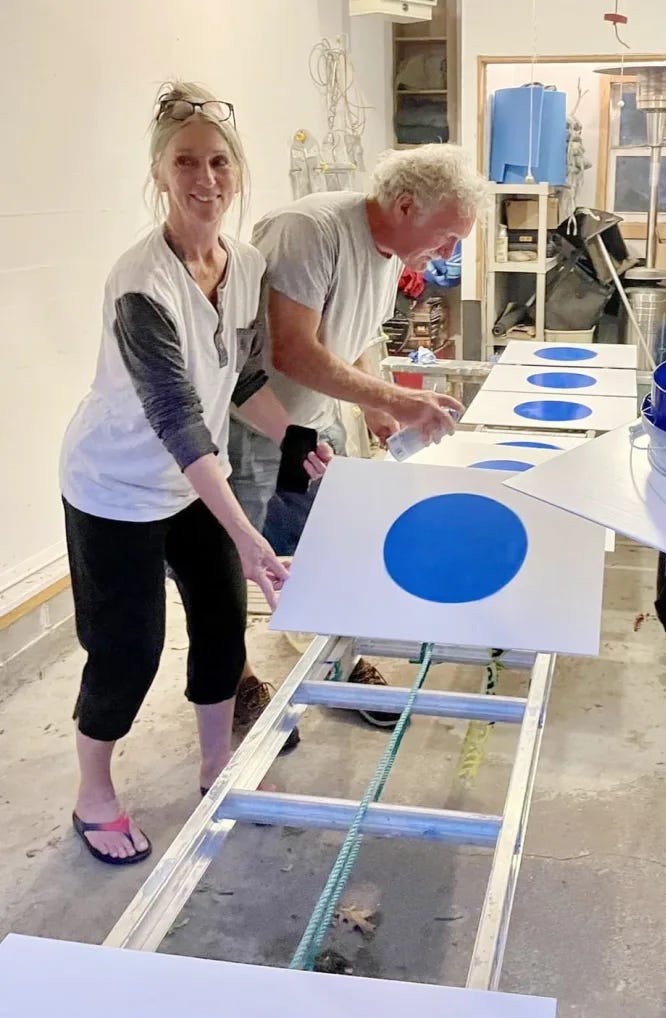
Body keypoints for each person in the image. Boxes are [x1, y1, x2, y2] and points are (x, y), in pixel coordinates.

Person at [59, 82, 332, 865]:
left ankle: (218, 765)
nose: (204, 178)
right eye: (186, 162)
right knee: (129, 647)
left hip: (189, 481)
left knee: (220, 620)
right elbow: (178, 416)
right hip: (114, 487)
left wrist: (295, 438)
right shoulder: (140, 283)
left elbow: (242, 382)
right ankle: (94, 794)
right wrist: (248, 534)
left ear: (237, 174)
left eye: (218, 162)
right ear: (159, 173)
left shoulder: (242, 265)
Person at [229, 144, 487, 732]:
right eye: (448, 237)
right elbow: (292, 349)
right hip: (247, 426)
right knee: (234, 564)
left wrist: (374, 400)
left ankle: (339, 665)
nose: (449, 253)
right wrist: (398, 399)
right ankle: (238, 680)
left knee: (329, 545)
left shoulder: (394, 249)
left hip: (309, 425)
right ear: (403, 205)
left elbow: (360, 334)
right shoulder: (309, 232)